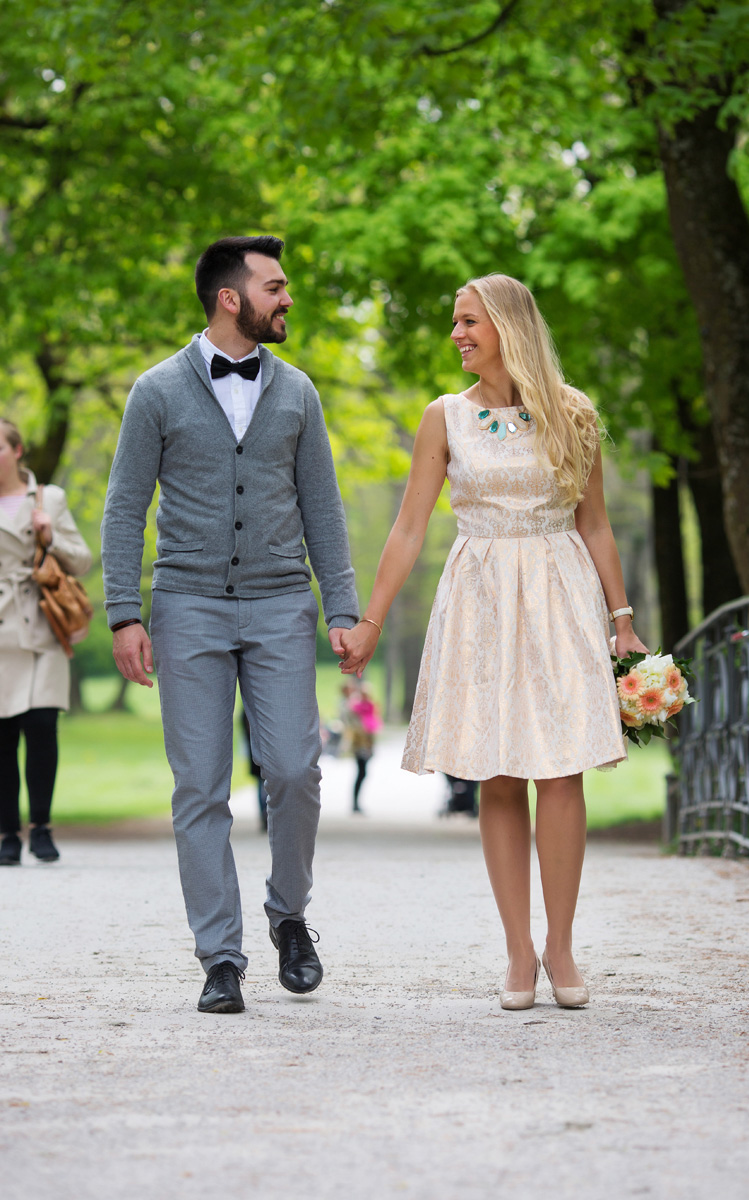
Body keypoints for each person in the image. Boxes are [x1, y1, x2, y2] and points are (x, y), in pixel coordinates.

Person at [340, 274, 647, 1012]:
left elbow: (595, 524)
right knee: (499, 774)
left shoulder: (574, 414)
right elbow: (409, 528)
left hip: (559, 595)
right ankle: (517, 951)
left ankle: (561, 945)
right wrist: (370, 622)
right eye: (455, 322)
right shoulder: (443, 417)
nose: (457, 334)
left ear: (507, 325)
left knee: (562, 769)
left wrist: (623, 620)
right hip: (478, 598)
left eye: (468, 321)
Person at [101, 235, 359, 1014]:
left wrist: (341, 607)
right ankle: (220, 956)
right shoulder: (155, 391)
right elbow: (123, 508)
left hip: (282, 602)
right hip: (186, 606)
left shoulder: (299, 392)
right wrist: (124, 613)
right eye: (275, 287)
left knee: (293, 770)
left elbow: (324, 506)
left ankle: (289, 917)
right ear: (229, 298)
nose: (287, 299)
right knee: (200, 787)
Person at [0, 418, 92, 866]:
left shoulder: (48, 498)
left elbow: (82, 560)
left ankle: (41, 827)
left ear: (17, 451)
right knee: (1, 736)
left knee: (41, 728)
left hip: (42, 625)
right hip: (0, 632)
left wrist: (50, 537)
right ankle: (6, 834)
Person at [341, 681, 382, 813]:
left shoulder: (365, 707)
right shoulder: (353, 707)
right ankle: (355, 803)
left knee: (362, 772)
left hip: (365, 743)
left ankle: (356, 802)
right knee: (362, 772)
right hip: (359, 743)